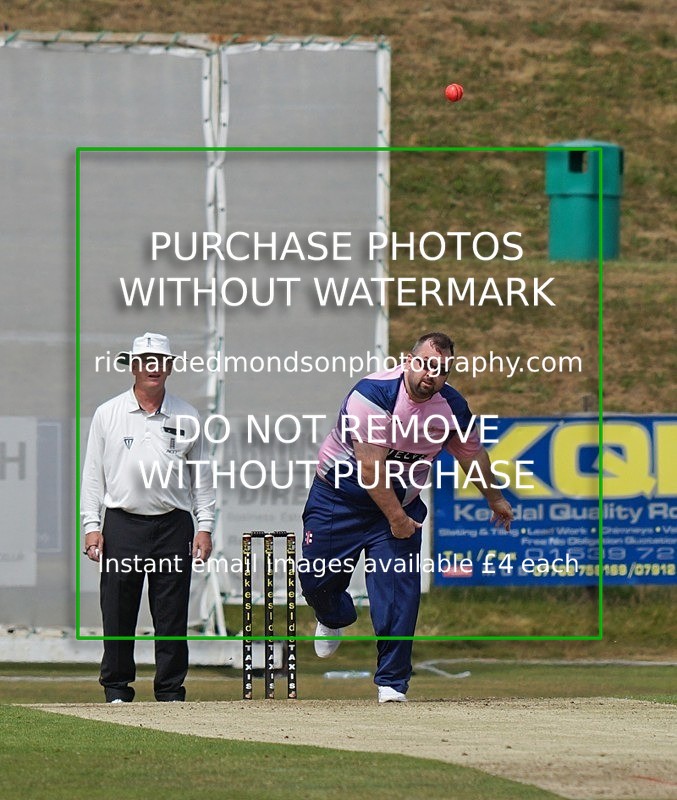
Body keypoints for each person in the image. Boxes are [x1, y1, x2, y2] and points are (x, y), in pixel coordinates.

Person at [300, 332, 513, 703]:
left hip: (401, 506)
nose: (432, 375)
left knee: (399, 597)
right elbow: (370, 470)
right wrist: (397, 518)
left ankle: (392, 683)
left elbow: (471, 454)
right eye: (426, 365)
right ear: (408, 361)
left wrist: (494, 497)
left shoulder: (452, 406)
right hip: (339, 499)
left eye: (442, 370)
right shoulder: (373, 394)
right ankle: (333, 617)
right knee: (317, 582)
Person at [81, 332, 215, 703]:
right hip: (122, 523)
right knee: (117, 610)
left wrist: (205, 527)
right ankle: (116, 688)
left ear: (169, 367)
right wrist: (91, 526)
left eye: (160, 361)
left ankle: (170, 690)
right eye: (146, 361)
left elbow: (202, 478)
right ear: (134, 366)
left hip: (173, 524)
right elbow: (93, 475)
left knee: (171, 613)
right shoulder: (108, 413)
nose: (153, 367)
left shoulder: (187, 415)